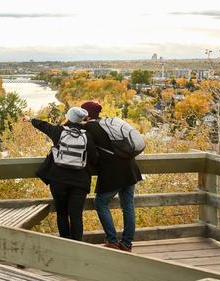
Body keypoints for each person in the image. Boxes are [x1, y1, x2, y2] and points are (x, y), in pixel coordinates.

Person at [25, 107, 97, 241]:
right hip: (79, 182)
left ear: (68, 117)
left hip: (58, 180)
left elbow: (44, 126)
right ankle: (77, 246)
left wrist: (30, 119)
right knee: (76, 216)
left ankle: (64, 244)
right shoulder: (87, 136)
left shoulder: (58, 131)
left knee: (62, 214)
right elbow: (94, 158)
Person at [81, 101, 142, 252]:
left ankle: (112, 240)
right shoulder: (108, 124)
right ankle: (127, 244)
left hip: (113, 172)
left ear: (86, 115)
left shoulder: (89, 127)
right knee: (128, 206)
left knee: (100, 203)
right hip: (130, 169)